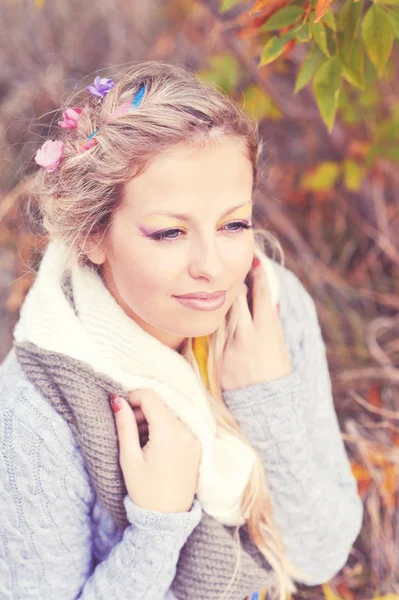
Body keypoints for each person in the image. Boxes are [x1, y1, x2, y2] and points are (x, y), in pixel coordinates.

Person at [0, 61, 363, 600]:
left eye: (233, 224)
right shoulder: (35, 412)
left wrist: (267, 394)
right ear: (94, 236)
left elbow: (319, 555)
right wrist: (157, 527)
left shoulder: (271, 309)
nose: (213, 267)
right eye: (169, 232)